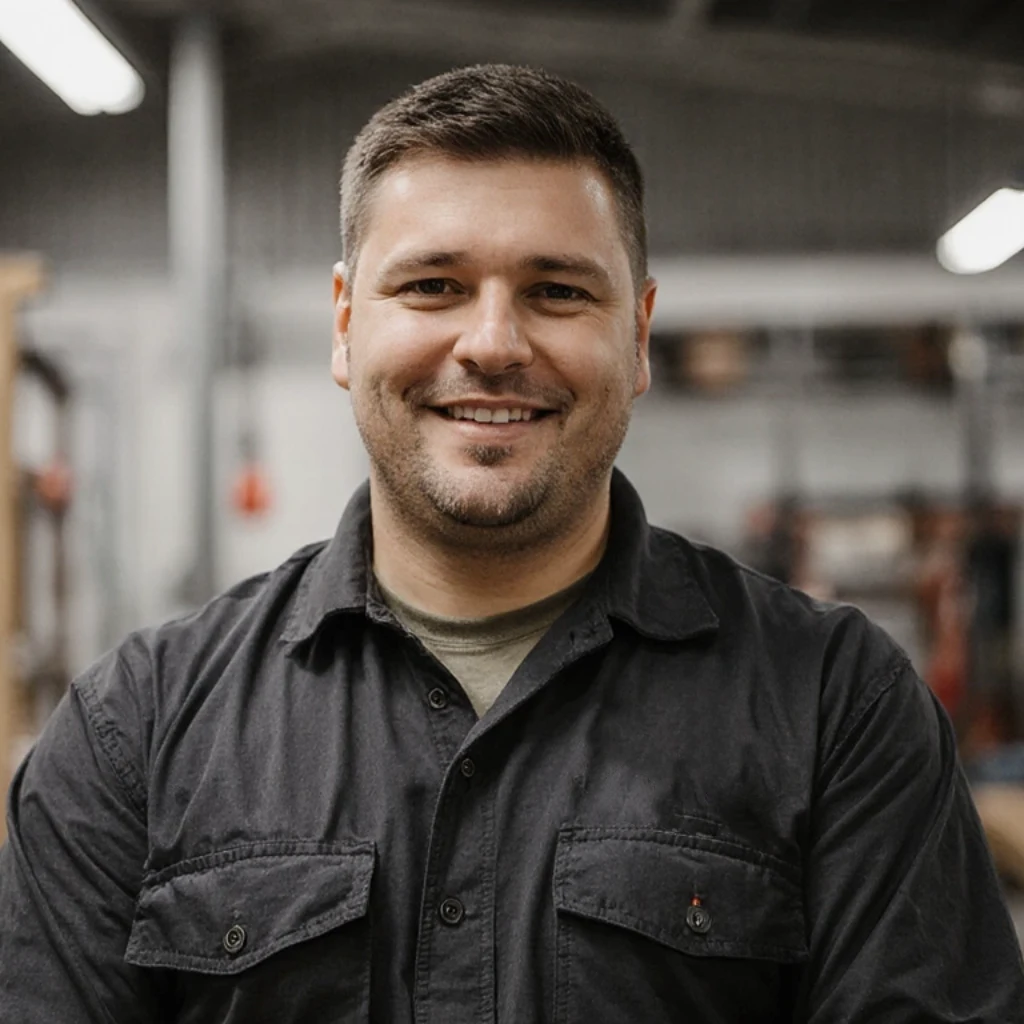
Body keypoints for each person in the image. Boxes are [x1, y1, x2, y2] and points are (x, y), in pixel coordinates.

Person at [1, 64, 1022, 1024]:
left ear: (638, 335)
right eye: (433, 286)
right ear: (345, 322)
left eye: (558, 291)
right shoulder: (134, 732)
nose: (492, 342)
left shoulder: (838, 709)